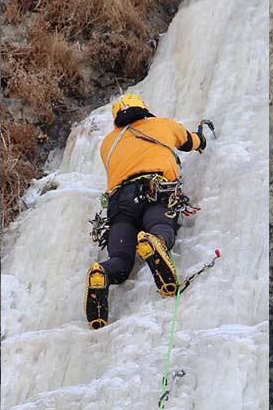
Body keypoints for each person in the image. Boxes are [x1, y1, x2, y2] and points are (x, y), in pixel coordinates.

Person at [85, 94, 208, 329]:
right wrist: (201, 139)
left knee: (120, 261)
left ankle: (102, 272)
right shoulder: (163, 125)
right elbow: (190, 142)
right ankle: (155, 242)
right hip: (154, 191)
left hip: (119, 204)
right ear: (144, 109)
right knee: (160, 226)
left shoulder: (107, 144)